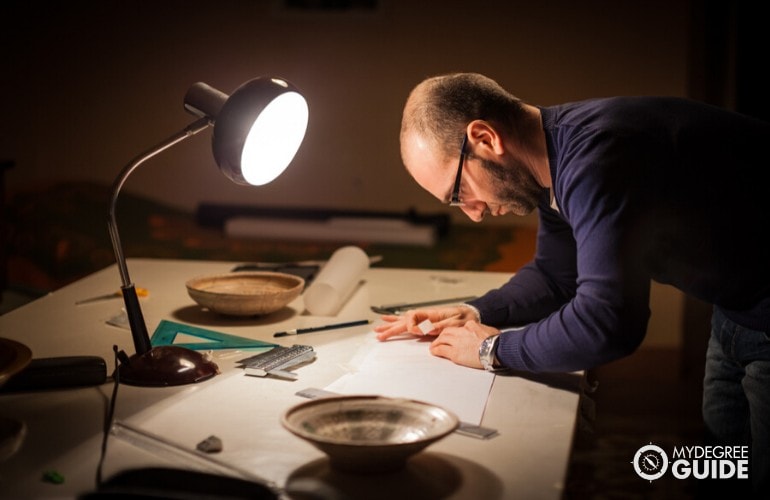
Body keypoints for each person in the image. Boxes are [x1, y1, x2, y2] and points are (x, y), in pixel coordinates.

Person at [374, 72, 769, 495]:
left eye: (459, 192)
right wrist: (474, 311)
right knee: (728, 474)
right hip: (735, 312)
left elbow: (609, 321)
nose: (472, 213)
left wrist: (493, 350)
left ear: (485, 138)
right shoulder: (553, 164)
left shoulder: (597, 158)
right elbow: (556, 276)